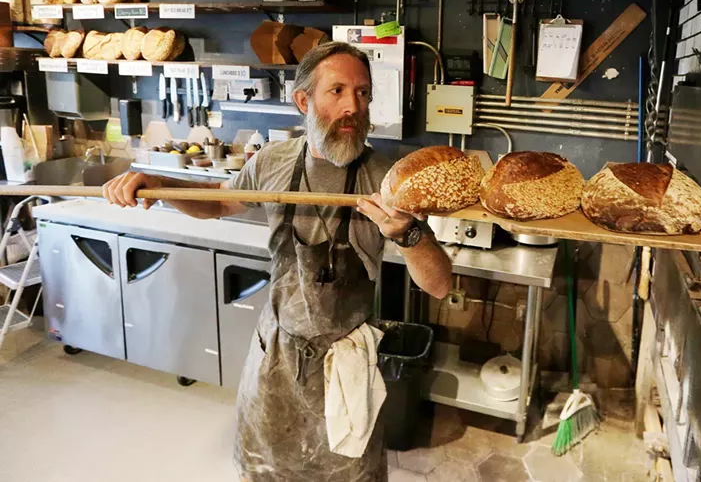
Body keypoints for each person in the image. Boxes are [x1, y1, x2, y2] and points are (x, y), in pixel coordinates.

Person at [103, 41, 453, 482]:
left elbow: (439, 285)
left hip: (345, 362)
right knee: (267, 470)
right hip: (275, 356)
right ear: (303, 101)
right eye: (338, 91)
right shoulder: (272, 162)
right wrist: (158, 183)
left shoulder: (386, 179)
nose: (353, 106)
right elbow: (216, 204)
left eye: (362, 93)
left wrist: (408, 233)